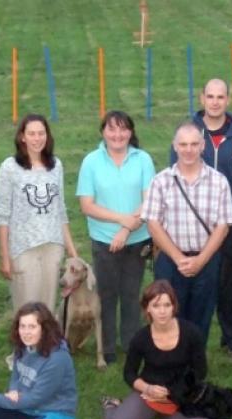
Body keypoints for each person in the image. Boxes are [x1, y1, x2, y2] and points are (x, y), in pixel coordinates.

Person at [170, 78, 232, 358]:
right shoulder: (188, 134)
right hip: (191, 225)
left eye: (221, 97)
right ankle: (189, 337)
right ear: (202, 98)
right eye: (210, 96)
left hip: (229, 223)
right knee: (196, 279)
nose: (215, 102)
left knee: (228, 281)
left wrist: (228, 215)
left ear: (228, 100)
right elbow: (175, 172)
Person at [143, 121, 232, 341]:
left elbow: (222, 227)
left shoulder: (219, 181)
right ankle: (170, 367)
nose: (188, 150)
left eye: (194, 144)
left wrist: (201, 260)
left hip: (207, 259)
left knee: (201, 317)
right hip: (170, 261)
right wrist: (178, 258)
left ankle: (195, 371)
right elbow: (153, 223)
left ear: (203, 146)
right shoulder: (161, 181)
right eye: (183, 144)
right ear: (174, 146)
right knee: (168, 315)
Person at [76, 110, 155, 365]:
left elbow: (149, 201)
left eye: (123, 129)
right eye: (111, 129)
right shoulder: (91, 161)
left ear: (130, 132)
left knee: (132, 295)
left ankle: (131, 345)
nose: (117, 135)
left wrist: (126, 230)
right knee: (107, 295)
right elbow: (87, 205)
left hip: (137, 240)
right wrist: (121, 221)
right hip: (103, 241)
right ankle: (107, 348)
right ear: (103, 132)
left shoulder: (143, 159)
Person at [102, 280, 212, 419]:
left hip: (180, 395)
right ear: (147, 309)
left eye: (167, 305)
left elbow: (200, 372)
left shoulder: (191, 333)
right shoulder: (140, 338)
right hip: (149, 395)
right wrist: (147, 389)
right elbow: (129, 374)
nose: (162, 311)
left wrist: (172, 391)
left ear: (174, 306)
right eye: (156, 305)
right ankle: (111, 405)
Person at [0, 114, 77, 312]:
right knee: (27, 311)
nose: (37, 138)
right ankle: (26, 344)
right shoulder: (10, 167)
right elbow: (3, 214)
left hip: (52, 246)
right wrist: (5, 257)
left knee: (47, 309)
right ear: (22, 137)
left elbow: (60, 210)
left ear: (47, 136)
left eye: (41, 133)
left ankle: (47, 344)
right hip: (24, 249)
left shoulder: (55, 166)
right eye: (31, 133)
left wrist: (72, 251)